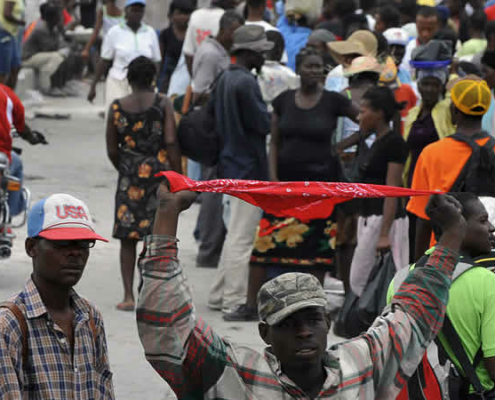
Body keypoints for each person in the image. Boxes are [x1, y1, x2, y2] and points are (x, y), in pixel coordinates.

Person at [136, 174, 469, 398]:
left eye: (312, 320)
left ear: (327, 323)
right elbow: (169, 328)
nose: (304, 332)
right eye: (289, 324)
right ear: (266, 334)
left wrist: (452, 236)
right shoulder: (237, 375)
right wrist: (166, 216)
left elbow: (412, 314)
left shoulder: (360, 366)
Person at [225, 47, 358, 321]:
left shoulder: (334, 101)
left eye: (318, 67)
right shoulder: (283, 100)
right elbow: (274, 141)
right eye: (308, 66)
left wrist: (341, 147)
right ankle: (251, 305)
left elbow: (367, 121)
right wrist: (273, 179)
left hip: (320, 191)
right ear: (298, 69)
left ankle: (313, 308)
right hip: (285, 189)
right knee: (264, 246)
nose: (313, 71)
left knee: (318, 253)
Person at [0, 193, 114, 398]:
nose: (75, 253)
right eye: (62, 244)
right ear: (31, 248)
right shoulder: (9, 326)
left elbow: (104, 391)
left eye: (83, 243)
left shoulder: (90, 317)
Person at [389, 192, 495, 399]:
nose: (491, 227)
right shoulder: (486, 281)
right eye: (483, 220)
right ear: (459, 226)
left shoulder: (400, 279)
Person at [106, 56, 182, 311]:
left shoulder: (117, 107)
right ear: (153, 78)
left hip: (129, 176)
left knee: (128, 238)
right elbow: (170, 141)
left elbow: (112, 149)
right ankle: (150, 295)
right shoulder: (162, 103)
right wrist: (179, 177)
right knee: (155, 237)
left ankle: (128, 296)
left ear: (128, 79)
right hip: (158, 176)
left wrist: (128, 168)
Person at [207, 25, 272, 315]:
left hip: (229, 164)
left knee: (234, 232)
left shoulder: (224, 78)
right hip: (248, 167)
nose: (263, 58)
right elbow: (262, 124)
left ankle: (219, 293)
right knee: (242, 238)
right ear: (248, 53)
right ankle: (234, 299)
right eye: (260, 52)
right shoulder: (246, 83)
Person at [407, 78, 494, 261]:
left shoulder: (432, 153)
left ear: (454, 110)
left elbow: (423, 219)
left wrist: (417, 266)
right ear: (485, 110)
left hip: (444, 258)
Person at [192, 10, 244, 270]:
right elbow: (199, 91)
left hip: (218, 128)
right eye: (234, 33)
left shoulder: (219, 51)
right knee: (213, 189)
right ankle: (208, 246)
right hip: (213, 130)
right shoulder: (212, 54)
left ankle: (206, 238)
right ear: (225, 30)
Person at [347, 86, 409, 297]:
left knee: (370, 277)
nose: (359, 116)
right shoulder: (374, 142)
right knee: (362, 277)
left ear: (379, 113)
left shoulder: (394, 143)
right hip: (369, 217)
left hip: (384, 220)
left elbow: (392, 189)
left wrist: (384, 234)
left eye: (363, 111)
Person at [87, 0, 161, 115]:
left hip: (143, 84)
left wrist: (154, 83)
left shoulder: (150, 33)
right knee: (116, 116)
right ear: (126, 11)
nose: (137, 14)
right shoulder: (114, 32)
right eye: (134, 10)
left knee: (142, 120)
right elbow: (104, 61)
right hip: (118, 81)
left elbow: (156, 61)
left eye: (140, 11)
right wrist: (93, 86)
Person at [0, 83, 46, 217]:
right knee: (16, 163)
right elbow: (21, 127)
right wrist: (32, 138)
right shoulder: (6, 93)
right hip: (3, 154)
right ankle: (10, 216)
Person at [21, 1, 73, 97]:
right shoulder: (41, 28)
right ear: (52, 18)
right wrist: (60, 31)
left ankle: (60, 86)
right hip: (28, 58)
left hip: (38, 55)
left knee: (64, 55)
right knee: (57, 57)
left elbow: (58, 45)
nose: (60, 19)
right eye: (58, 17)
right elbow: (50, 48)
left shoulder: (51, 26)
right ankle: (51, 87)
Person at [192, 10, 244, 100]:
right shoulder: (211, 55)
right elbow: (198, 95)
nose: (238, 38)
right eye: (235, 33)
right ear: (223, 30)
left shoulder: (223, 50)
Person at [182, 0, 236, 76]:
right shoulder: (226, 17)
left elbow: (188, 53)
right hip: (221, 76)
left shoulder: (195, 15)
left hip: (199, 74)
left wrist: (193, 78)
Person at [157, 0, 194, 94]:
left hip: (188, 79)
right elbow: (160, 59)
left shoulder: (193, 34)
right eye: (179, 13)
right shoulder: (165, 34)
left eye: (186, 14)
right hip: (167, 80)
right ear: (170, 16)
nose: (183, 17)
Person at [80, 0, 124, 75]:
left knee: (109, 72)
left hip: (109, 48)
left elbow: (96, 31)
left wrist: (86, 49)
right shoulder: (122, 11)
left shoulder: (103, 10)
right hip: (119, 47)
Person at [401, 6, 440, 75]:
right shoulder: (407, 50)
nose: (425, 34)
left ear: (437, 27)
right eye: (421, 29)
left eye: (429, 29)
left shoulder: (443, 51)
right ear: (416, 25)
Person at [0, 0, 25, 88]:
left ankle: (9, 96)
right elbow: (7, 14)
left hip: (12, 34)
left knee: (15, 67)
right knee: (3, 71)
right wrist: (20, 22)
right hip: (4, 33)